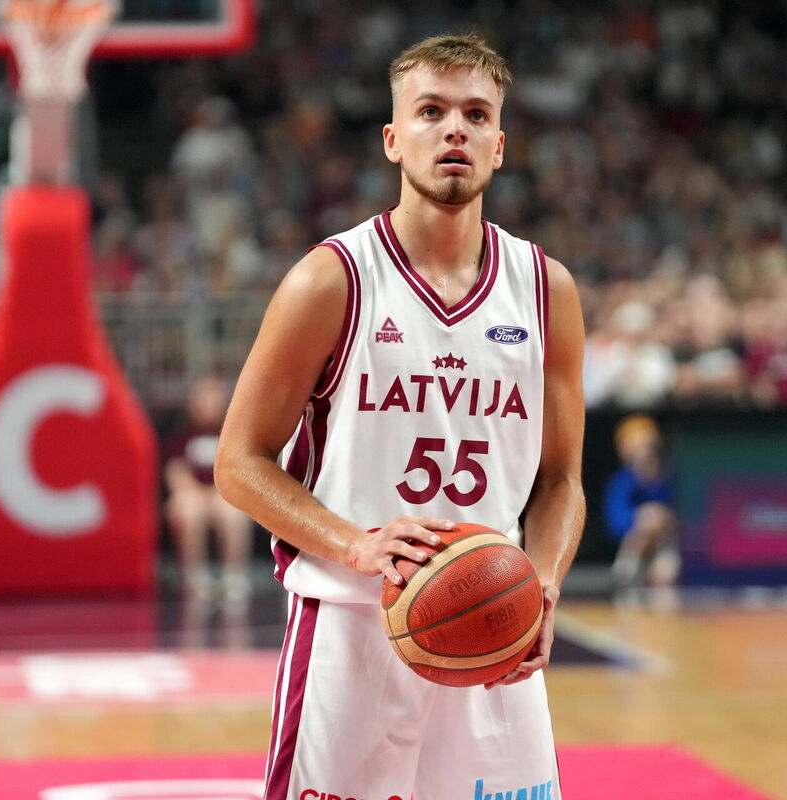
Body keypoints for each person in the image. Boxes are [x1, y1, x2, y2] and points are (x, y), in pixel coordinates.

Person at [215, 34, 586, 800]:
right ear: (393, 138)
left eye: (476, 114)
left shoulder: (547, 290)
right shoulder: (331, 281)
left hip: (494, 626)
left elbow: (559, 481)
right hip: (353, 630)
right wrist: (356, 544)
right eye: (431, 111)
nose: (455, 129)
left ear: (498, 145)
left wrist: (542, 585)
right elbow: (238, 462)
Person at [164, 375, 254, 605]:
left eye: (213, 399)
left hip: (222, 493)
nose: (208, 405)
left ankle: (234, 575)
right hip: (192, 494)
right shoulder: (182, 436)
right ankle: (195, 576)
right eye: (202, 399)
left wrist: (220, 492)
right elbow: (175, 472)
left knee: (232, 512)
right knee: (189, 509)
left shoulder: (232, 435)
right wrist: (193, 492)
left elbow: (240, 470)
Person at [602, 414, 679, 595]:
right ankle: (624, 574)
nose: (642, 454)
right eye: (636, 448)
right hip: (633, 543)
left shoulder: (669, 477)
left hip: (666, 544)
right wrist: (644, 518)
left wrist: (661, 517)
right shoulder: (620, 483)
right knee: (649, 519)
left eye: (647, 447)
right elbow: (616, 524)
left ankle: (664, 567)